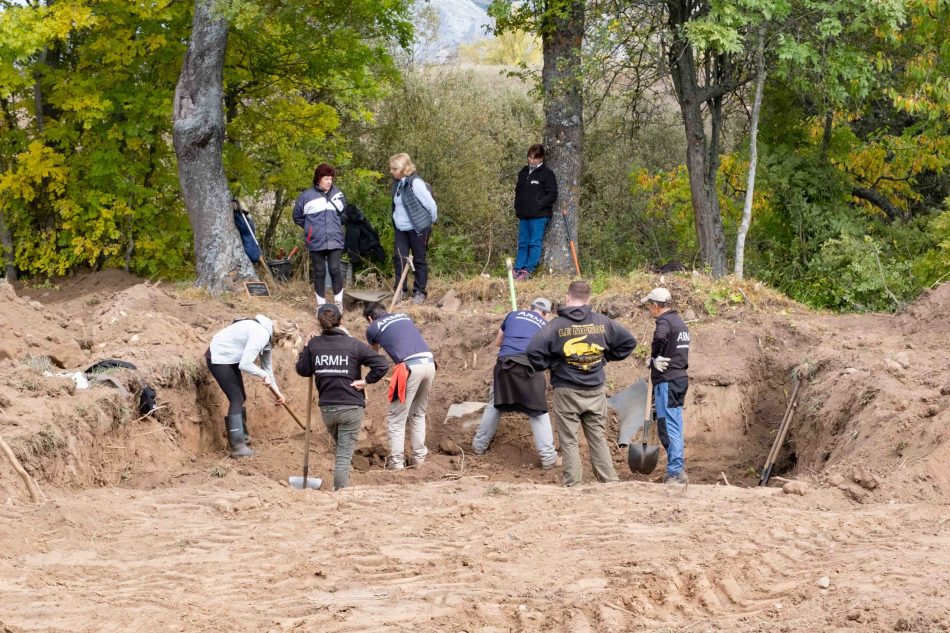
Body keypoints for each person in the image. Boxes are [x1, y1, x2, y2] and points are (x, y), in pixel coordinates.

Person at [526, 281, 636, 486]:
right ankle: (609, 481)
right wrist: (605, 358)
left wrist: (552, 365)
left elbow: (532, 351)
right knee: (598, 437)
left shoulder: (556, 325)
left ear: (568, 298)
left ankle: (573, 483)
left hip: (566, 390)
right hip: (595, 390)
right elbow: (629, 342)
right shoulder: (602, 322)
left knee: (569, 440)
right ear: (588, 300)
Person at [295, 304, 389, 490]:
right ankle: (341, 492)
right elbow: (382, 364)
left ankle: (342, 483)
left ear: (320, 323)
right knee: (344, 455)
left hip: (328, 410)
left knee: (342, 450)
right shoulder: (353, 345)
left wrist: (306, 347)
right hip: (350, 407)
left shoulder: (314, 344)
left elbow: (303, 370)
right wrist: (366, 381)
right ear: (342, 321)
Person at [472, 297, 559, 469]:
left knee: (495, 405)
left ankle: (478, 447)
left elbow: (499, 342)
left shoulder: (512, 315)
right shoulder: (547, 326)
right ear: (547, 314)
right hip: (530, 368)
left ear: (529, 307)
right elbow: (548, 355)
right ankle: (549, 459)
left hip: (505, 365)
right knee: (538, 412)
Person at [205, 315, 298, 458]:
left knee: (241, 396)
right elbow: (245, 364)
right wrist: (262, 375)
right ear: (283, 337)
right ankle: (238, 448)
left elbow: (267, 369)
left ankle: (243, 441)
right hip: (220, 357)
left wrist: (279, 394)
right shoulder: (261, 334)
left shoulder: (268, 337)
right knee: (236, 398)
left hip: (230, 358)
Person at [363, 301, 436, 469]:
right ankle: (419, 460)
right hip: (429, 363)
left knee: (396, 419)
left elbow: (374, 355)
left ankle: (396, 464)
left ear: (369, 318)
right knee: (417, 414)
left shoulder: (373, 328)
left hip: (409, 368)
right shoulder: (404, 316)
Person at [641, 287, 691, 484]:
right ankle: (676, 470)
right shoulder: (680, 322)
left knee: (669, 426)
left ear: (655, 305)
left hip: (668, 381)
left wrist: (654, 358)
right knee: (675, 424)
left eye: (649, 306)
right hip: (679, 378)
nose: (649, 310)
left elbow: (660, 337)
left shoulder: (664, 321)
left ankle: (676, 472)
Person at [293, 163, 347, 310]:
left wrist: (334, 227)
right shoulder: (306, 196)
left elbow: (343, 214)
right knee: (319, 272)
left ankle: (338, 303)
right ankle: (321, 305)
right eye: (326, 178)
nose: (329, 181)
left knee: (335, 269)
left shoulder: (338, 194)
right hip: (315, 240)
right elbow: (297, 217)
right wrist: (311, 229)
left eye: (331, 178)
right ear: (318, 179)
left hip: (335, 239)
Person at [389, 153, 437, 305]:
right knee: (400, 258)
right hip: (401, 228)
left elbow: (431, 205)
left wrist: (429, 222)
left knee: (419, 259)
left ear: (403, 169)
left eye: (394, 168)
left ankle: (419, 292)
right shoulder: (397, 183)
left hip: (418, 228)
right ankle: (400, 291)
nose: (391, 171)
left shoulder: (415, 183)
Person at [513, 144, 558, 281]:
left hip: (539, 216)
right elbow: (518, 191)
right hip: (523, 214)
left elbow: (552, 194)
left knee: (534, 242)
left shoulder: (547, 174)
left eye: (535, 158)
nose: (531, 160)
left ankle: (528, 269)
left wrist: (539, 204)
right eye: (530, 157)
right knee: (523, 242)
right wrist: (517, 206)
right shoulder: (524, 171)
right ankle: (517, 268)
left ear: (541, 158)